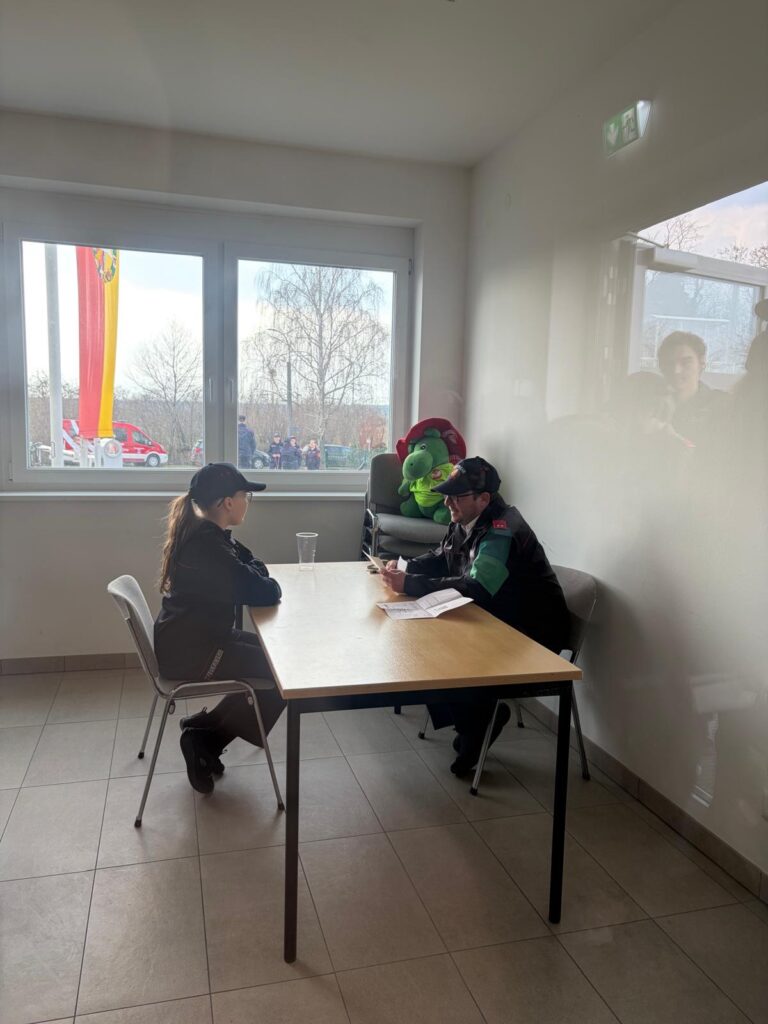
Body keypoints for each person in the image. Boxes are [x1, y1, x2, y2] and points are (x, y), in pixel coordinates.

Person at [381, 456, 569, 776]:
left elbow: (478, 588)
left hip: (531, 633)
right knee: (426, 644)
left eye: (456, 496)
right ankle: (474, 721)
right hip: (496, 618)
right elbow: (442, 556)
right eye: (447, 495)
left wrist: (410, 584)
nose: (447, 502)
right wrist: (403, 567)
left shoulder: (503, 529)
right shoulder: (465, 519)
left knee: (445, 650)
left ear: (484, 498)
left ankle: (478, 721)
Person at [154, 462, 285, 794]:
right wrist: (259, 576)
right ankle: (203, 740)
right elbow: (265, 589)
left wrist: (256, 573)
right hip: (194, 652)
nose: (247, 502)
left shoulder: (210, 536)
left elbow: (255, 568)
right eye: (245, 496)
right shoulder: (209, 549)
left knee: (278, 662)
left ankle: (205, 727)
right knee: (282, 676)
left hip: (195, 640)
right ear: (228, 502)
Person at [655, 331, 725, 446]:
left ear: (701, 363)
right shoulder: (650, 405)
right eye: (669, 363)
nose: (676, 370)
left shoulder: (722, 406)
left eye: (685, 363)